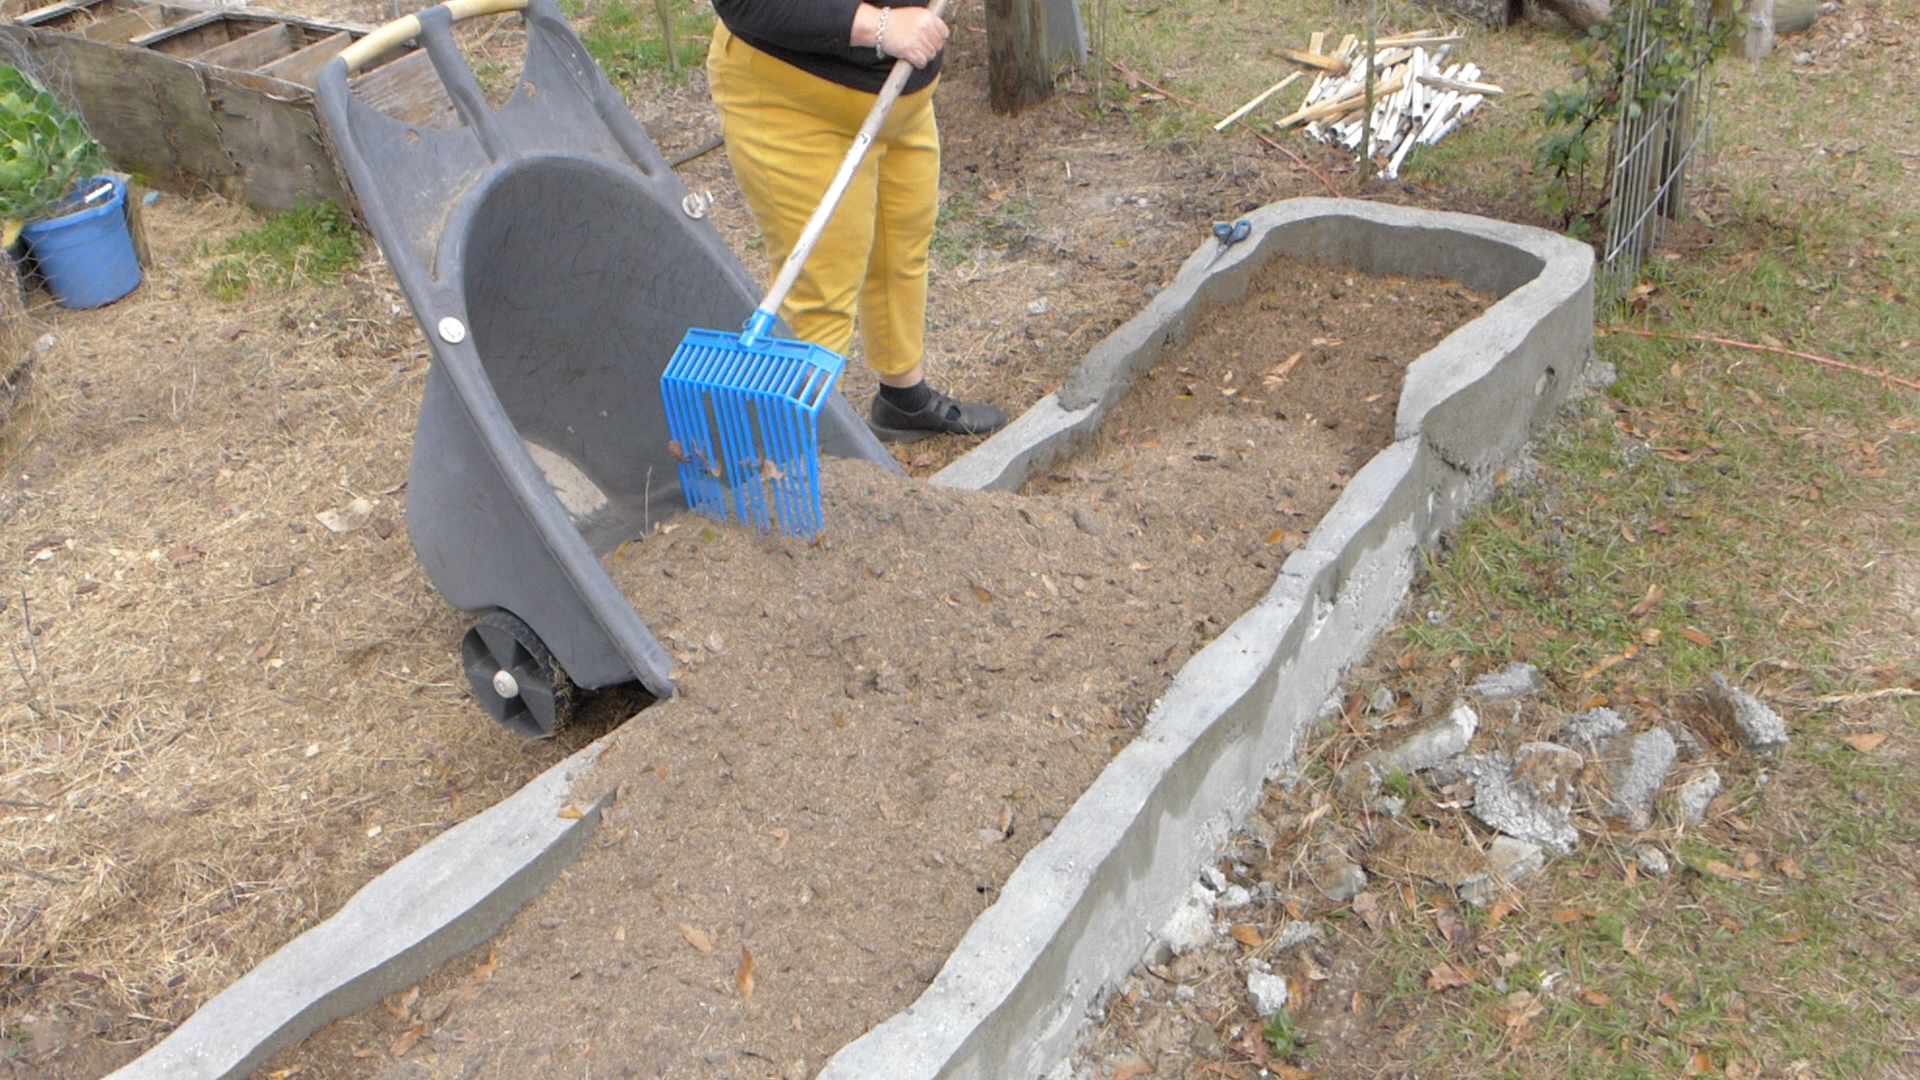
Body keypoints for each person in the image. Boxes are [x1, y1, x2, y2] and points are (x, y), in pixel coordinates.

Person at [706, 0, 1008, 442]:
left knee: (899, 253)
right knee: (822, 292)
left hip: (901, 95)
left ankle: (903, 401)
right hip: (793, 105)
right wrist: (880, 27)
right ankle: (800, 453)